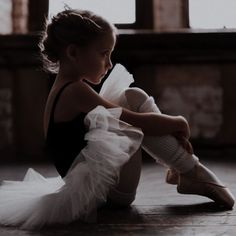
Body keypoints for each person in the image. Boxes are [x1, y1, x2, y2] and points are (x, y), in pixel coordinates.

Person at [0, 9, 234, 229]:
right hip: (109, 192)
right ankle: (191, 170)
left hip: (102, 185)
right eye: (104, 54)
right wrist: (179, 122)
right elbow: (137, 121)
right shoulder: (74, 91)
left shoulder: (65, 88)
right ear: (73, 53)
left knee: (132, 96)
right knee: (133, 120)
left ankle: (186, 169)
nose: (109, 64)